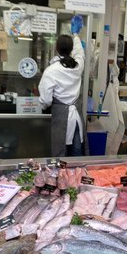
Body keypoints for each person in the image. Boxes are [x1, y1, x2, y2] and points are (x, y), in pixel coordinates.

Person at [38, 15, 85, 157]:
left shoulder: (51, 71)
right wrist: (75, 34)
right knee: (76, 151)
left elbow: (45, 100)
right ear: (70, 49)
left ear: (56, 48)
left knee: (60, 152)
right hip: (76, 116)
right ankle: (76, 178)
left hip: (60, 117)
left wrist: (43, 107)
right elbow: (80, 53)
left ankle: (59, 177)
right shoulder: (77, 66)